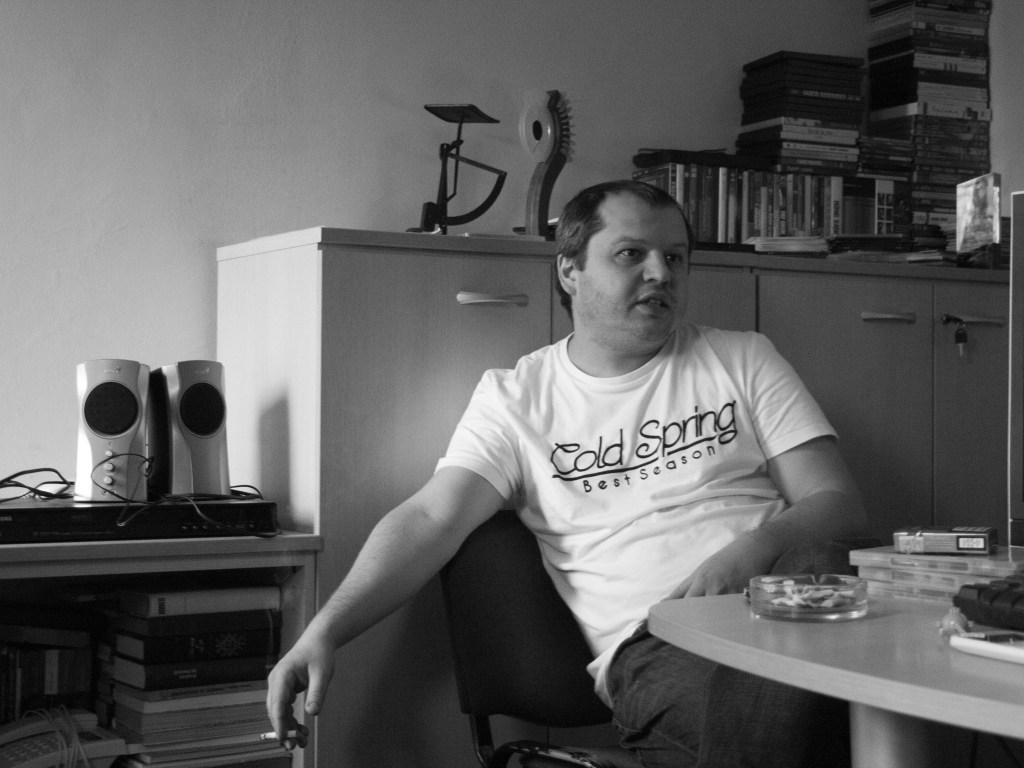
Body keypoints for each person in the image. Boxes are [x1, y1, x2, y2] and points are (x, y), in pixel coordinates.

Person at [266, 179, 869, 767]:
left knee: (825, 569)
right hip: (659, 643)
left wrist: (750, 552)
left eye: (675, 257)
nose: (661, 273)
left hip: (779, 598)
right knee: (832, 713)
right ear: (569, 270)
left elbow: (836, 503)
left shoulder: (742, 357)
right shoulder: (516, 399)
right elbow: (430, 517)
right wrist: (325, 631)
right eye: (631, 253)